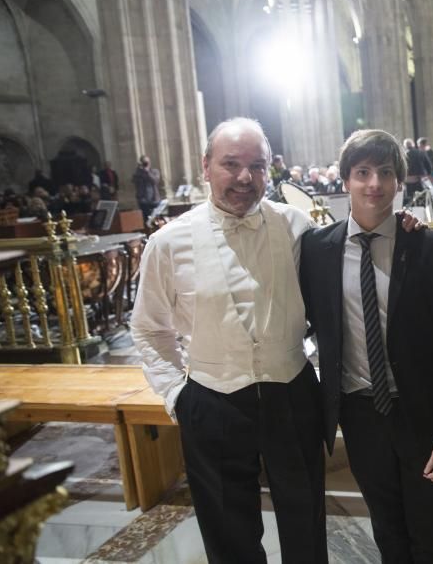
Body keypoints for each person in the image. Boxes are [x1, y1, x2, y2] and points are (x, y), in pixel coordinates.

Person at [130, 118, 327, 564]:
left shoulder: (297, 228)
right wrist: (176, 395)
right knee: (227, 529)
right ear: (206, 166)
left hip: (292, 390)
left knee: (305, 518)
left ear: (269, 170)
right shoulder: (168, 242)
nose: (244, 177)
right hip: (212, 399)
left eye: (256, 166)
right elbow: (148, 326)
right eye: (230, 164)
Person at [300, 129, 433, 563]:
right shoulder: (317, 251)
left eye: (386, 173)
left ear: (400, 182)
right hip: (360, 414)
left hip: (421, 415)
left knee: (430, 533)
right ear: (344, 180)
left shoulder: (430, 246)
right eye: (362, 172)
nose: (374, 183)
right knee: (387, 530)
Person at [403, 138, 432, 204]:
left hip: (408, 180)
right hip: (420, 179)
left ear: (405, 146)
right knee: (420, 197)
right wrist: (429, 174)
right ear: (413, 144)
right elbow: (428, 165)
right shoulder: (421, 152)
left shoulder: (404, 154)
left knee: (410, 198)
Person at [132, 155, 161, 221]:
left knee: (156, 219)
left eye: (147, 162)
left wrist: (147, 172)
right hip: (143, 200)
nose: (146, 164)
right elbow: (134, 180)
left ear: (150, 162)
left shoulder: (154, 171)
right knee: (145, 219)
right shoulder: (139, 172)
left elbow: (155, 181)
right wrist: (138, 170)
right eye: (144, 162)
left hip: (154, 199)